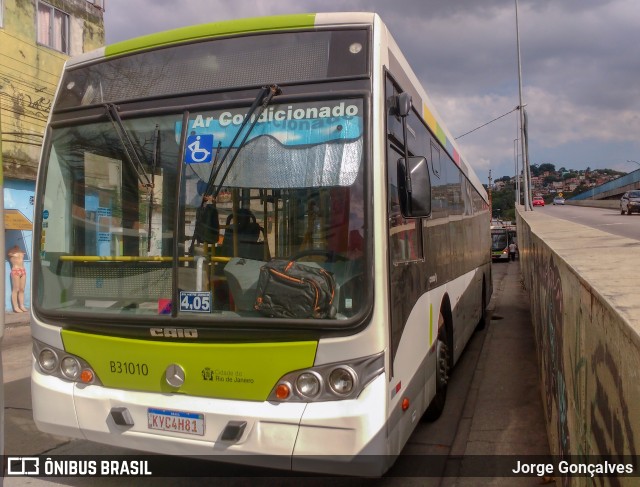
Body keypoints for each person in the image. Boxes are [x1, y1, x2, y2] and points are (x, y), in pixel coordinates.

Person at [7, 245, 28, 313]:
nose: (17, 246)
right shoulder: (11, 252)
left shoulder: (22, 251)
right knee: (16, 289)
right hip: (15, 270)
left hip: (23, 270)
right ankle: (16, 307)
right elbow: (9, 254)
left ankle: (22, 305)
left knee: (22, 289)